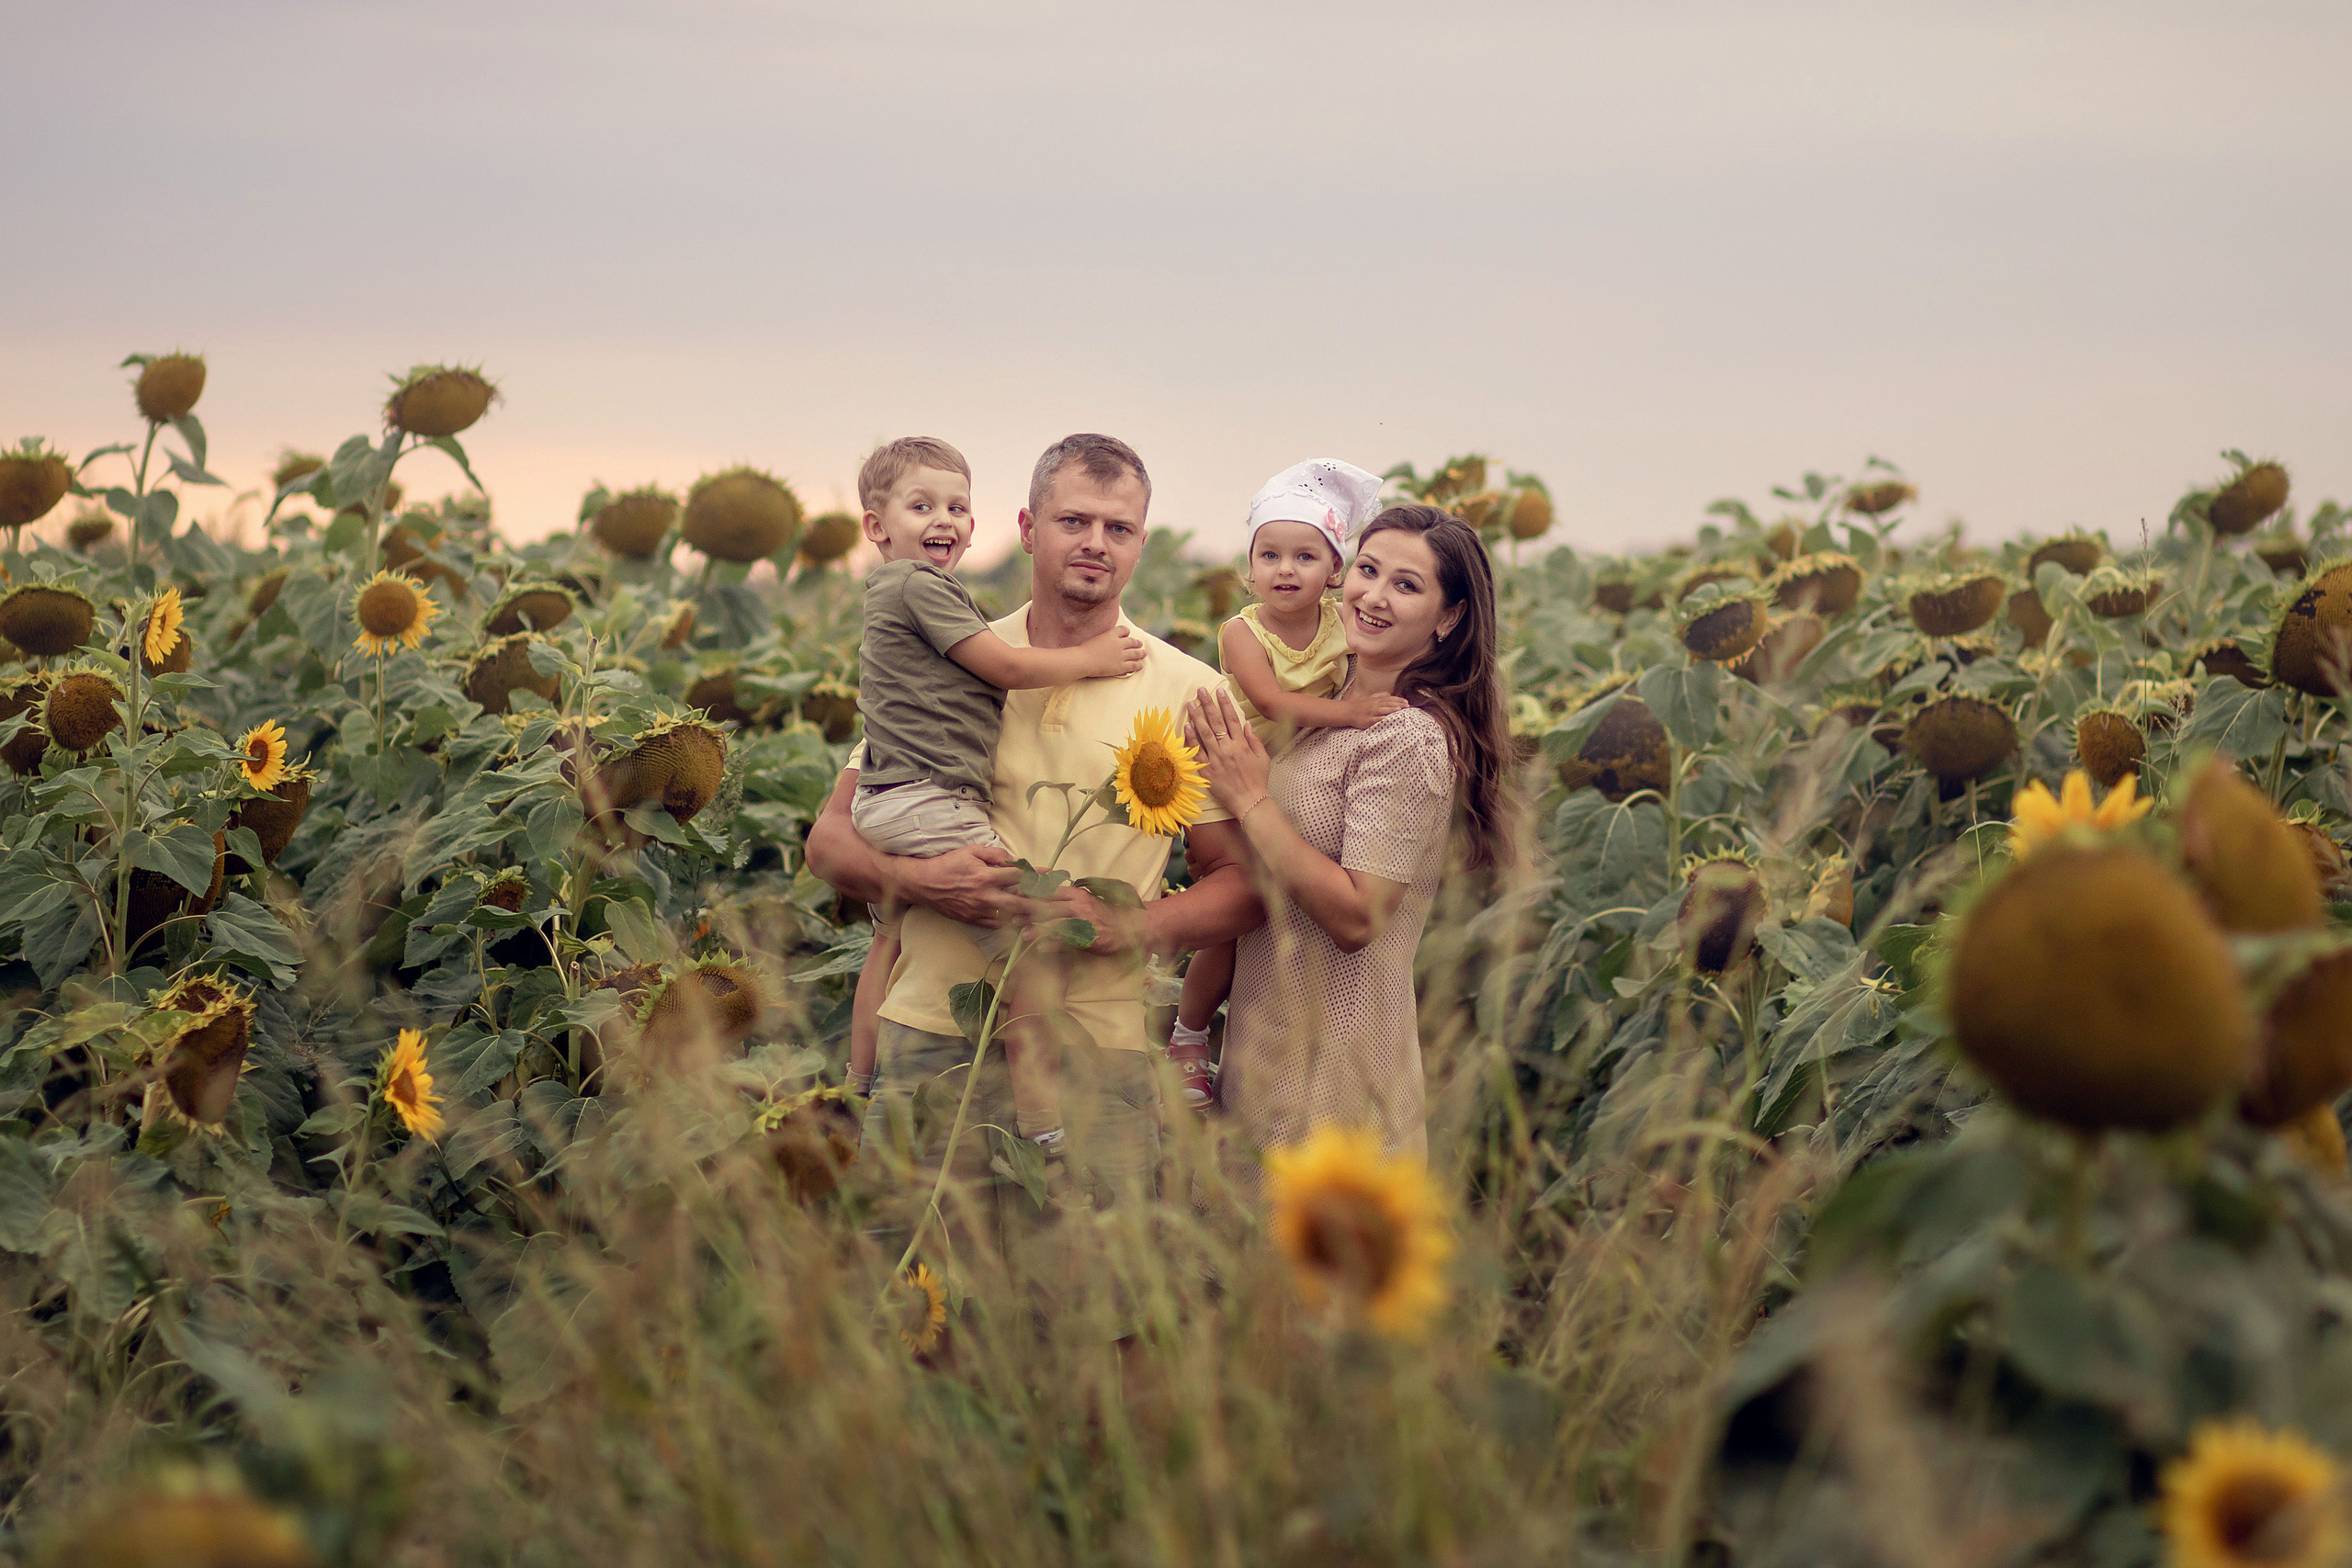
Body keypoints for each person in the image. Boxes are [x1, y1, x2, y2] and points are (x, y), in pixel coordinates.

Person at [805, 434, 1260, 1300]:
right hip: (930, 1034)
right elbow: (829, 841)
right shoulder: (951, 653)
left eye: (1118, 527)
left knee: (1100, 1321)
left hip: (1100, 1050)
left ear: (1141, 544)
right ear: (1026, 527)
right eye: (1073, 520)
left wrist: (1128, 925)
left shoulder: (1189, 688)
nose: (1095, 541)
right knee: (912, 1313)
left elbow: (1240, 887)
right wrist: (922, 883)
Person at [1183, 504, 1519, 1159]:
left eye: (1407, 584)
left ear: (1449, 618)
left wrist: (1250, 798)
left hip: (1336, 1076)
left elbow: (1359, 914)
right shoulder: (1325, 712)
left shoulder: (1407, 737)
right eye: (1368, 570)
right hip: (1263, 1054)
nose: (1373, 595)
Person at [839, 437, 1143, 1155]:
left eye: (957, 506)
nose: (945, 519)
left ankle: (853, 1084)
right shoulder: (923, 591)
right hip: (922, 800)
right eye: (922, 506)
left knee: (884, 936)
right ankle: (1047, 1128)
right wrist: (1094, 660)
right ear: (876, 526)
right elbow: (1003, 665)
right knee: (1030, 951)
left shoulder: (925, 598)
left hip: (898, 794)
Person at [1165, 459, 1403, 1109]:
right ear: (1250, 567)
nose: (1284, 569)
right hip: (1223, 776)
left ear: (1335, 571)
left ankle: (1237, 1040)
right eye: (1269, 554)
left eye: (1304, 555)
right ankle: (1186, 1037)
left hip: (1276, 785)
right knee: (1239, 906)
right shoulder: (1242, 632)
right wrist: (1351, 714)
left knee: (1275, 912)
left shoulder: (1339, 626)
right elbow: (1270, 702)